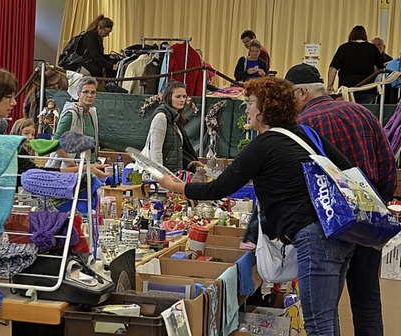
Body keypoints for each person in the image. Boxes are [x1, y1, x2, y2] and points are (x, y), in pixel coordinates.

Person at [157, 76, 354, 336]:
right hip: (339, 231)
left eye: (250, 103)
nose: (246, 109)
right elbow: (348, 170)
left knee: (318, 324)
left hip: (314, 237)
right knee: (327, 317)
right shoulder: (305, 133)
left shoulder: (264, 144)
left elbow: (219, 188)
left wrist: (177, 187)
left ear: (265, 109)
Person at [286, 63, 397, 336]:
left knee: (325, 311)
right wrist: (378, 208)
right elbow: (387, 166)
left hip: (326, 226)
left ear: (301, 92)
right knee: (367, 300)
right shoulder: (362, 113)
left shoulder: (302, 126)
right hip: (368, 222)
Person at [145, 81, 198, 173]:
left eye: (184, 96)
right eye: (178, 97)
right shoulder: (161, 117)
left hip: (175, 174)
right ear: (169, 98)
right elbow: (156, 150)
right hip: (165, 176)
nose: (182, 100)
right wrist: (160, 176)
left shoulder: (175, 119)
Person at [327, 25, 384, 104]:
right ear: (365, 35)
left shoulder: (344, 48)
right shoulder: (372, 48)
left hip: (347, 89)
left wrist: (330, 85)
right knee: (364, 114)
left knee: (347, 114)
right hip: (367, 89)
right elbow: (382, 68)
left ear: (351, 35)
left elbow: (333, 68)